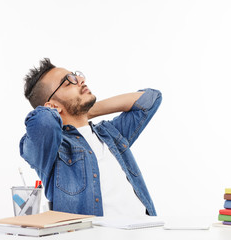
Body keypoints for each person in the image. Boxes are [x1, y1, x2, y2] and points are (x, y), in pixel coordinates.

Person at [20, 58, 162, 216]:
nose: (80, 80)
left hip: (146, 231)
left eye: (75, 76)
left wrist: (89, 111)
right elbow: (44, 122)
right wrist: (56, 111)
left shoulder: (110, 133)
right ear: (53, 106)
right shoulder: (52, 150)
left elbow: (151, 99)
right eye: (68, 82)